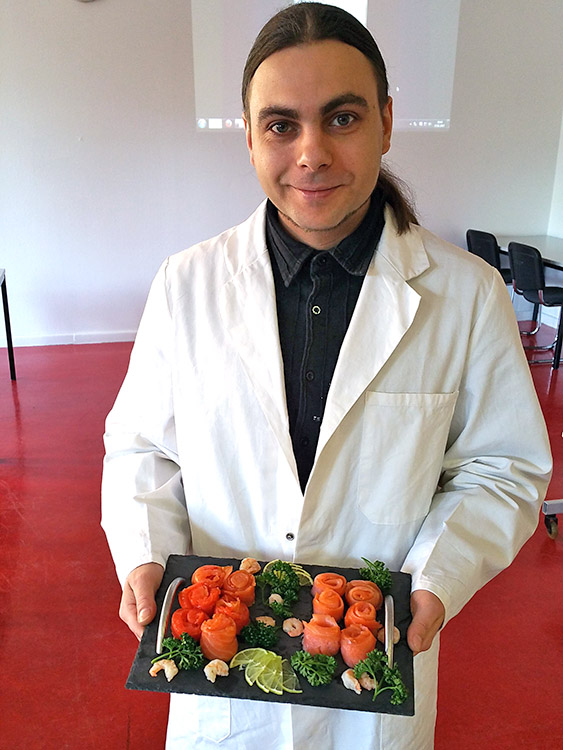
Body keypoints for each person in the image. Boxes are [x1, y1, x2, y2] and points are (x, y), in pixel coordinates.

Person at [101, 3, 551, 748]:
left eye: (341, 119)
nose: (311, 153)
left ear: (385, 122)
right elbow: (143, 449)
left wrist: (435, 581)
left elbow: (501, 467)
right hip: (222, 680)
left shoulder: (466, 294)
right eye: (281, 125)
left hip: (374, 667)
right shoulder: (187, 285)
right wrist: (148, 557)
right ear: (249, 138)